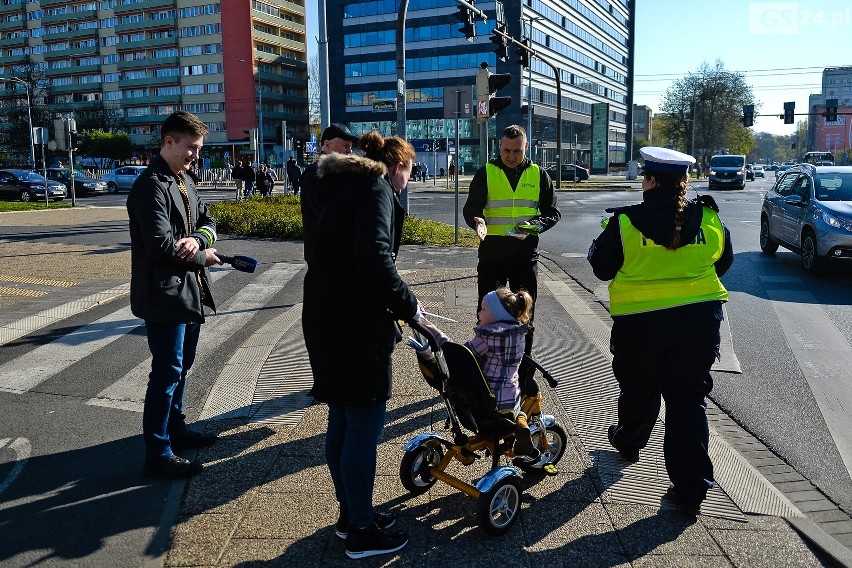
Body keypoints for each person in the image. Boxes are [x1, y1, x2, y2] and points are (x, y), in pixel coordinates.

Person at [587, 146, 733, 519]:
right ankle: (691, 492)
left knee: (640, 391)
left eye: (643, 176)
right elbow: (724, 262)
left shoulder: (625, 223)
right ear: (684, 181)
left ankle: (629, 443)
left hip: (641, 327)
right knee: (687, 404)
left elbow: (602, 269)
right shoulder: (710, 218)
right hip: (699, 325)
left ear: (650, 180)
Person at [302, 130, 418, 559]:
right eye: (410, 170)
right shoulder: (377, 189)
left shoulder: (346, 186)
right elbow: (375, 258)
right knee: (363, 427)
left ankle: (352, 515)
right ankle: (363, 532)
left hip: (327, 318)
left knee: (343, 420)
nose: (409, 179)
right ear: (398, 166)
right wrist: (411, 306)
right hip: (354, 326)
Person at [126, 110, 222, 479]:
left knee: (181, 367)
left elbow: (208, 220)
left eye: (198, 149)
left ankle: (176, 431)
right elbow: (161, 247)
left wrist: (199, 239)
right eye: (191, 148)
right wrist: (204, 256)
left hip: (188, 291)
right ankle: (158, 451)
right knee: (166, 372)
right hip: (164, 294)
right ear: (169, 141)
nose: (195, 155)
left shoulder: (184, 179)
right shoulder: (150, 186)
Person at [462, 124, 561, 396]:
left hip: (524, 256)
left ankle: (523, 374)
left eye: (517, 151)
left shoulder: (539, 175)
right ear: (499, 147)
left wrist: (535, 225)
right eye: (506, 150)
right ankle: (485, 372)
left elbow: (552, 212)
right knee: (487, 315)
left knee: (525, 317)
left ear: (526, 147)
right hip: (492, 255)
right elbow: (471, 207)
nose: (511, 156)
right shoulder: (487, 173)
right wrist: (476, 220)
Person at [411, 287, 540, 460]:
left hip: (486, 404)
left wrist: (425, 323)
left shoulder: (488, 337)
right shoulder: (519, 334)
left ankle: (518, 425)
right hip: (509, 400)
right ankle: (521, 423)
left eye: (483, 309)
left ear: (497, 315)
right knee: (519, 409)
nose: (479, 312)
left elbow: (461, 353)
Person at [299, 122, 358, 266]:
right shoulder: (315, 174)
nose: (349, 151)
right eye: (345, 146)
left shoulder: (342, 173)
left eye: (351, 147)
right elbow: (327, 216)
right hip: (324, 256)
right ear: (327, 144)